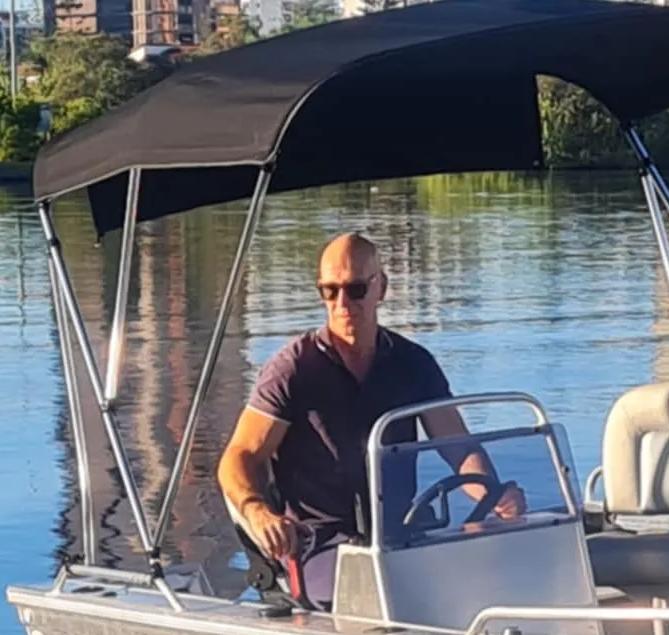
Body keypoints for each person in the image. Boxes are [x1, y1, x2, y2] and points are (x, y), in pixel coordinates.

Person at [217, 233, 525, 606]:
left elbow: (457, 446)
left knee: (490, 574)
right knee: (378, 593)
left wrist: (495, 494)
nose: (342, 303)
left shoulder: (414, 363)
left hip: (401, 533)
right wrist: (257, 512)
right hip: (319, 543)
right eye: (330, 291)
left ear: (381, 289)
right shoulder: (292, 369)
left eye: (356, 289)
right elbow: (240, 455)